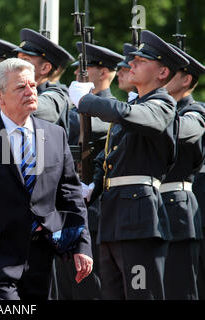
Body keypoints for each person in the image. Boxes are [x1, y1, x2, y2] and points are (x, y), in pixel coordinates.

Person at [0, 57, 93, 300]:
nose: (30, 92)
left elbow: (71, 196)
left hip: (41, 257)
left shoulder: (54, 135)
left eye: (33, 86)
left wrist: (81, 246)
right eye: (21, 88)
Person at [68, 29, 189, 299]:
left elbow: (133, 116)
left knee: (140, 293)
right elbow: (110, 157)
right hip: (114, 217)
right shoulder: (133, 109)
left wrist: (88, 102)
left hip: (139, 219)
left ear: (162, 73)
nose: (131, 63)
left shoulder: (162, 104)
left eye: (142, 61)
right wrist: (92, 186)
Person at [60, 42, 123, 300]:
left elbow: (97, 130)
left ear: (105, 72)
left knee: (92, 288)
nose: (77, 74)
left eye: (86, 69)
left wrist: (84, 105)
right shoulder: (74, 110)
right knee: (67, 288)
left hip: (95, 213)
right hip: (67, 209)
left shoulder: (113, 112)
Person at [163, 44, 205, 300]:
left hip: (178, 212)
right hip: (154, 213)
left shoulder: (195, 112)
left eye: (169, 72)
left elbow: (175, 130)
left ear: (186, 79)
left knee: (180, 289)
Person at [0, 28, 75, 133]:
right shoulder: (14, 91)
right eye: (18, 59)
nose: (18, 64)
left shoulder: (58, 94)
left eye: (25, 60)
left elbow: (31, 109)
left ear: (45, 68)